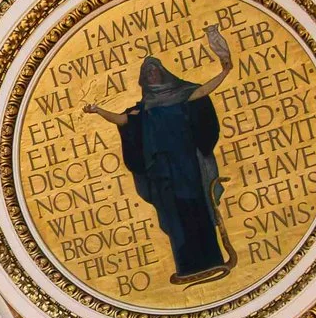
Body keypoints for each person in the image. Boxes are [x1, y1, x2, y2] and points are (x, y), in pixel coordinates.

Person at [83, 25, 237, 286]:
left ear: (164, 74)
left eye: (155, 71)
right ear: (143, 81)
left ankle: (212, 259)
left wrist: (224, 71)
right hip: (163, 175)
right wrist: (98, 110)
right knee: (176, 218)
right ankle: (187, 266)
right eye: (147, 73)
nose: (152, 75)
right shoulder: (141, 111)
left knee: (198, 210)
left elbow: (203, 91)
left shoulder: (182, 96)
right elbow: (121, 120)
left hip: (188, 168)